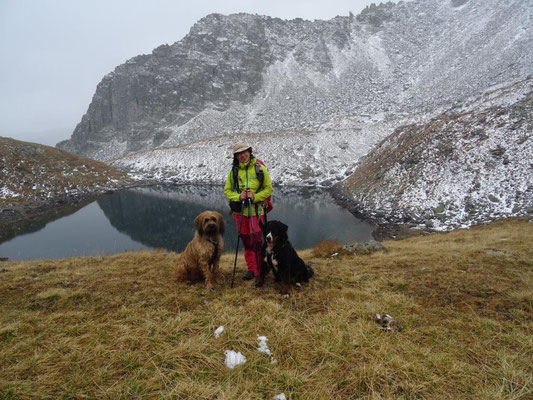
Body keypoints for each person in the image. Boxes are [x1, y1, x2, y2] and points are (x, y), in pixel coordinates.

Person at [224, 141, 273, 286]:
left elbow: (268, 189)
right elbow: (227, 191)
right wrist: (240, 197)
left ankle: (259, 270)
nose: (243, 155)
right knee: (246, 241)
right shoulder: (234, 171)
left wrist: (254, 197)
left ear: (249, 152)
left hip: (257, 212)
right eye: (239, 153)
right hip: (240, 213)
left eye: (245, 152)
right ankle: (251, 269)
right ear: (236, 156)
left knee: (257, 242)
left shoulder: (260, 168)